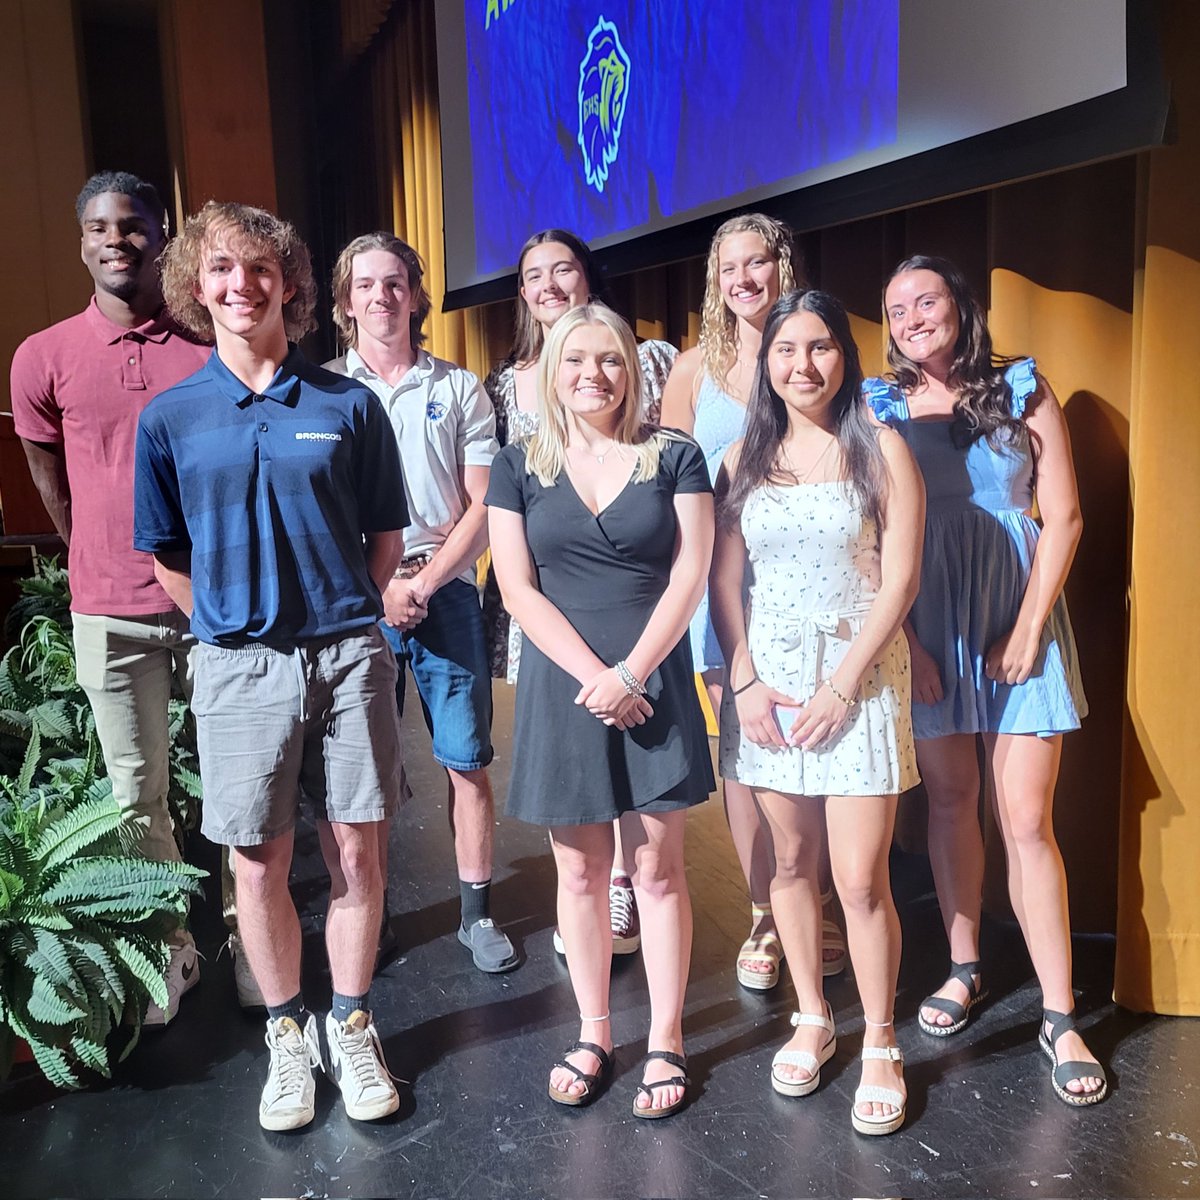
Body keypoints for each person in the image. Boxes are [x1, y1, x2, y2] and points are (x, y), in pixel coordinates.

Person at [134, 201, 407, 1130]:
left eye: (259, 269)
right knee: (256, 866)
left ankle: (353, 1022)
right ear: (194, 286)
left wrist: (341, 617)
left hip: (346, 657)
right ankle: (289, 1035)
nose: (240, 286)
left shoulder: (348, 405)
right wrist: (225, 633)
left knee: (358, 854)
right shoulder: (170, 418)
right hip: (239, 668)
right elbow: (167, 555)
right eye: (220, 269)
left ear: (290, 282)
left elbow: (385, 535)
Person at [868, 254, 1106, 1106]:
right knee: (948, 801)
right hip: (928, 626)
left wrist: (1030, 627)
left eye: (926, 299)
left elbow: (1064, 516)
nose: (911, 317)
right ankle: (965, 965)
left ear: (960, 306)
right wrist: (909, 643)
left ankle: (1059, 1014)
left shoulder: (1024, 388)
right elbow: (874, 534)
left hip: (1019, 623)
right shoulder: (881, 404)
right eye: (896, 308)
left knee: (1027, 819)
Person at [486, 303, 714, 1118]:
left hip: (652, 678)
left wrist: (634, 671)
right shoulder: (518, 464)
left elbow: (692, 572)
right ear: (552, 370)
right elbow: (516, 588)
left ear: (633, 369)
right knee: (579, 873)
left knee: (656, 872)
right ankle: (593, 1030)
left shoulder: (675, 456)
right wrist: (597, 677)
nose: (594, 375)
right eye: (576, 360)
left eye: (611, 360)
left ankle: (667, 1038)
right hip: (566, 687)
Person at [711, 289, 923, 1136]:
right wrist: (747, 681)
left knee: (862, 880)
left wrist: (843, 683)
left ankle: (880, 1040)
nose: (804, 365)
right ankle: (811, 1014)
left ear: (845, 354)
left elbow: (901, 579)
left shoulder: (881, 447)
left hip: (859, 683)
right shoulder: (742, 459)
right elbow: (725, 587)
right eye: (786, 350)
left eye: (821, 347)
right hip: (772, 692)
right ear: (766, 365)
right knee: (790, 868)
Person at [10, 171, 212, 1025]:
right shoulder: (42, 355)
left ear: (160, 236)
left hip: (213, 610)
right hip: (108, 612)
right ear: (81, 241)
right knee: (137, 792)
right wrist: (93, 548)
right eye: (98, 227)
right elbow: (49, 481)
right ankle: (174, 949)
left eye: (131, 225)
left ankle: (249, 936)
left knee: (243, 781)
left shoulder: (208, 349)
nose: (115, 240)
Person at [661, 213, 846, 991]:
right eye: (727, 266)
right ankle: (766, 911)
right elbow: (667, 476)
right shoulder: (695, 366)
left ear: (782, 262)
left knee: (821, 747)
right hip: (720, 584)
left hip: (812, 584)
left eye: (756, 261)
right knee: (747, 746)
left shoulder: (817, 350)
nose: (743, 278)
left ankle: (822, 904)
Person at [325, 232, 517, 975]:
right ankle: (372, 920)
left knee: (466, 761)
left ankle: (476, 915)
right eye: (366, 285)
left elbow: (483, 504)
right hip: (357, 599)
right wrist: (380, 591)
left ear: (415, 294)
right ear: (346, 302)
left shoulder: (459, 389)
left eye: (395, 282)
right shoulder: (324, 394)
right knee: (364, 775)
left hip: (447, 593)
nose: (382, 296)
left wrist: (425, 583)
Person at [483, 228, 678, 957]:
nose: (549, 284)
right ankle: (594, 895)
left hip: (631, 590)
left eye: (563, 269)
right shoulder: (507, 383)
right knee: (578, 742)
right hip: (552, 598)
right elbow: (507, 516)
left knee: (640, 761)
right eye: (534, 275)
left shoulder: (645, 360)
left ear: (587, 278)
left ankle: (625, 889)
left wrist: (628, 668)